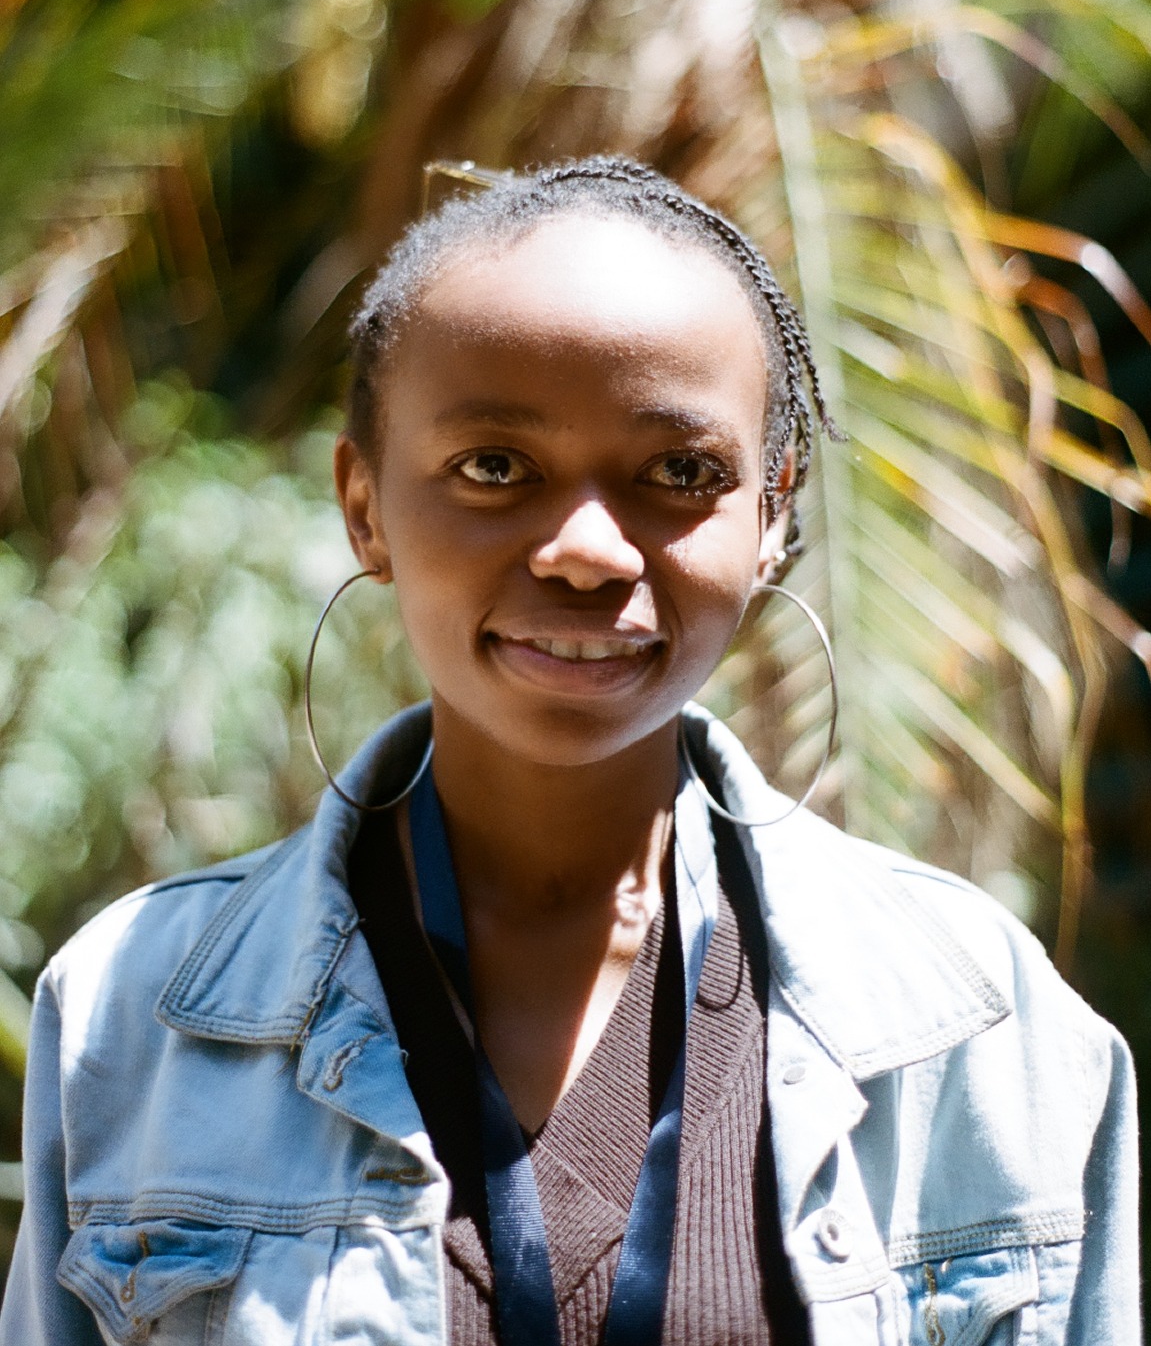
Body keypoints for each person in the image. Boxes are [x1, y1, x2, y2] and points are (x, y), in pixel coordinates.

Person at [0, 155, 1138, 1346]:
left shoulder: (978, 1025)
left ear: (772, 515)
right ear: (364, 505)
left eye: (680, 474)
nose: (587, 550)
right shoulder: (137, 1016)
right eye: (494, 468)